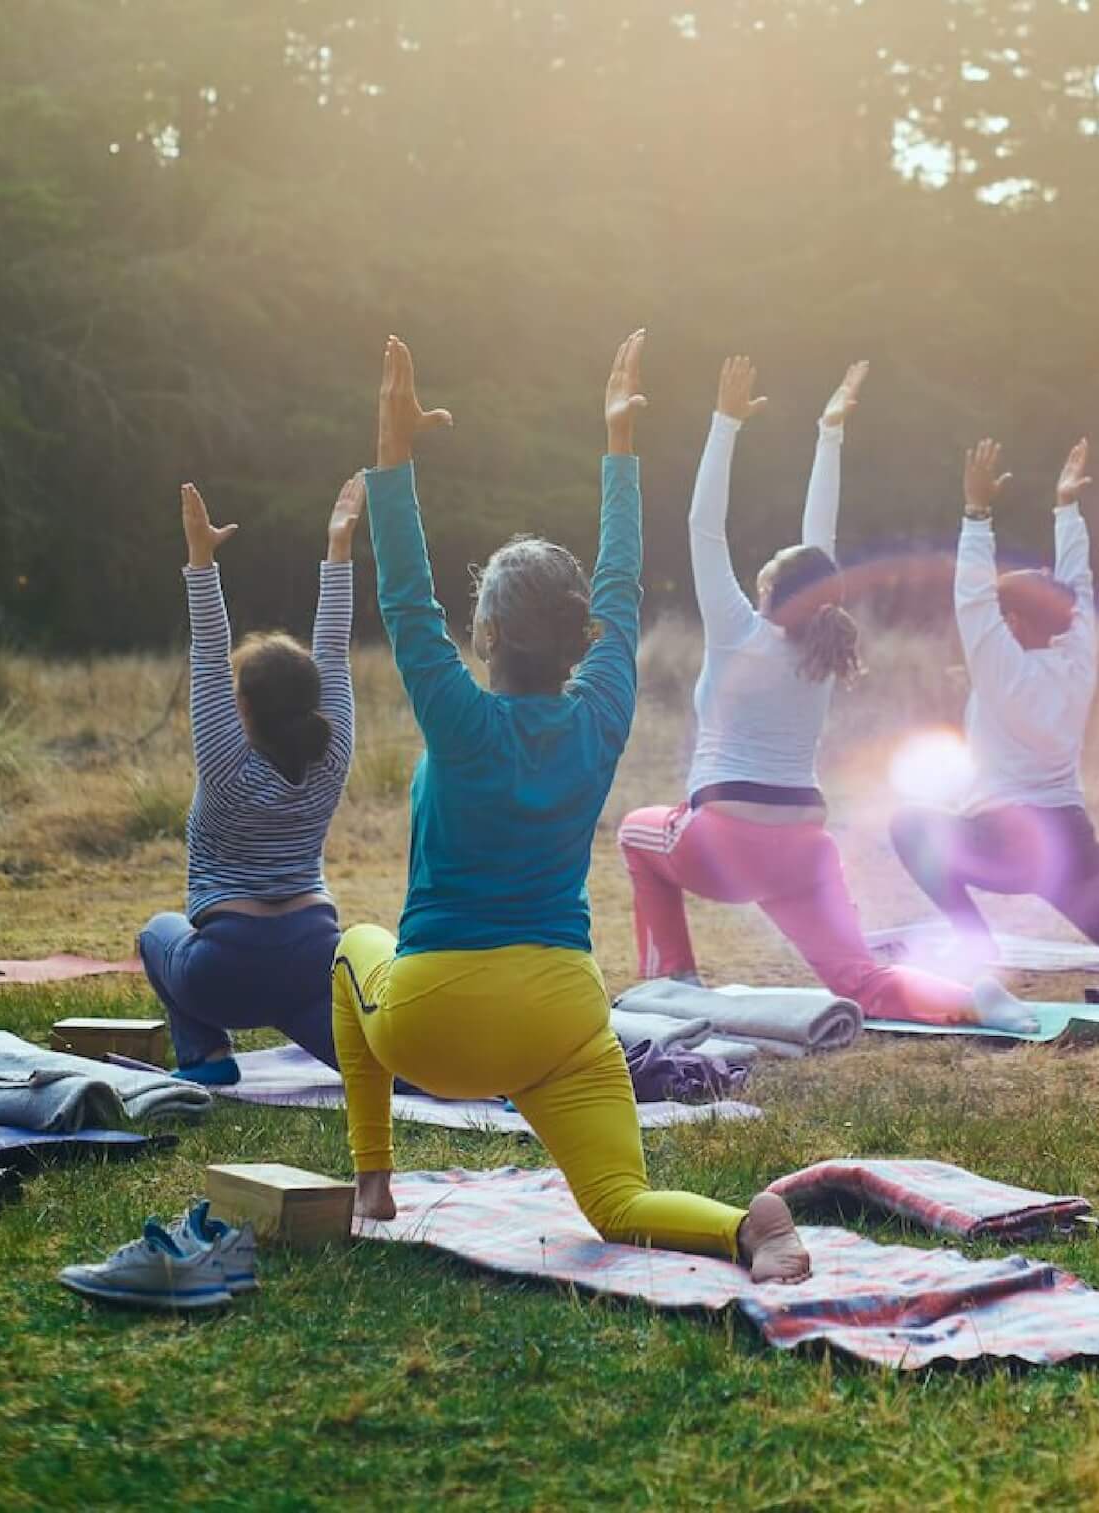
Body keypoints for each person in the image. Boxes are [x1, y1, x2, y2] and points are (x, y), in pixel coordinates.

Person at [331, 333, 810, 1282]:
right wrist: (619, 450)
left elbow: (404, 597)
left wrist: (394, 458)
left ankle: (372, 1179)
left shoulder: (459, 717)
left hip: (435, 1023)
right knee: (617, 1203)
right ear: (579, 634)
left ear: (491, 633)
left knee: (352, 942)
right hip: (562, 1013)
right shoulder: (600, 717)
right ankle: (745, 1227)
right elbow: (623, 592)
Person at [617, 357, 1032, 1029]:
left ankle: (675, 980)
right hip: (805, 847)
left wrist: (725, 423)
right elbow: (822, 543)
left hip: (722, 841)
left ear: (769, 591)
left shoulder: (739, 633)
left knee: (637, 834)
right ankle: (975, 999)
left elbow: (704, 525)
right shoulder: (819, 650)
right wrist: (829, 434)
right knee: (859, 977)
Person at [889, 437, 1099, 968]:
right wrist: (1067, 509)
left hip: (1003, 844)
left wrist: (977, 513)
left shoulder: (1000, 671)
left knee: (908, 825)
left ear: (1011, 623)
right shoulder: (1078, 660)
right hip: (1071, 845)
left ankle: (974, 943)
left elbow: (971, 599)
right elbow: (1078, 585)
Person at [136, 476, 361, 1084]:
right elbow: (334, 651)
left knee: (156, 932)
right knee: (384, 1068)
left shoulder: (225, 763)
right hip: (315, 959)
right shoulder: (333, 752)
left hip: (225, 972)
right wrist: (339, 550)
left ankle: (207, 1058)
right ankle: (482, 1077)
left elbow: (209, 651)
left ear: (242, 709)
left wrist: (201, 557)